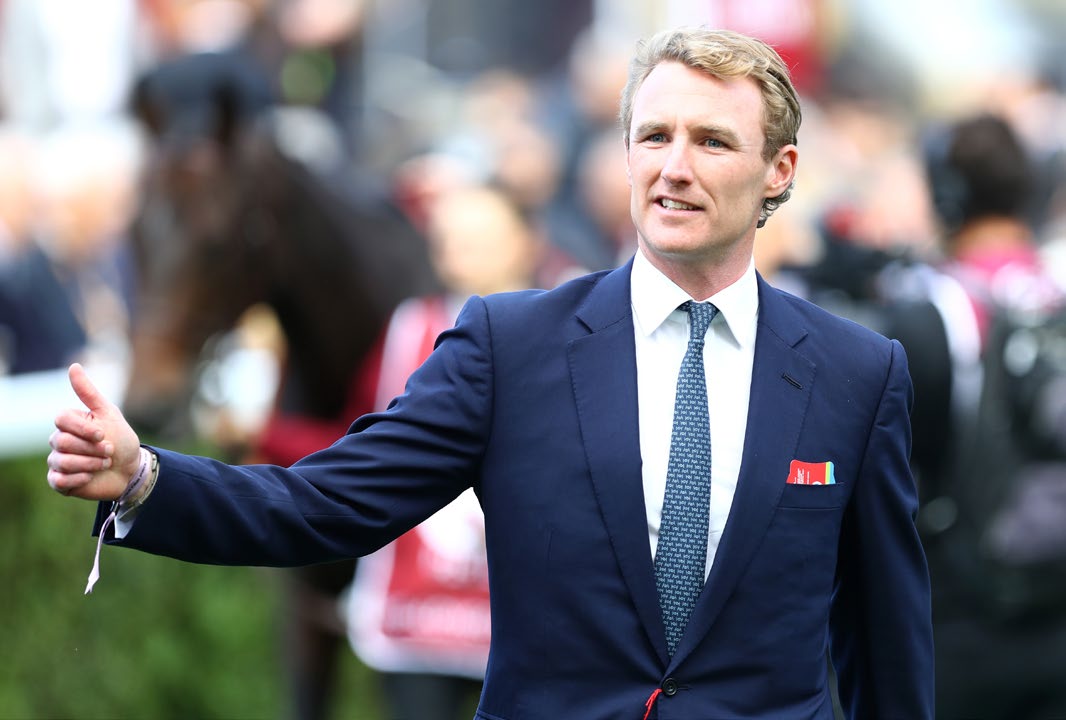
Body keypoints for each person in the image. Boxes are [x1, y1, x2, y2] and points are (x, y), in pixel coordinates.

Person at [47, 27, 934, 719]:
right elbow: (327, 504)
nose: (674, 167)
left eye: (711, 141)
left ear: (779, 171)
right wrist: (145, 478)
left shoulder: (858, 374)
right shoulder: (510, 346)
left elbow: (887, 645)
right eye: (654, 136)